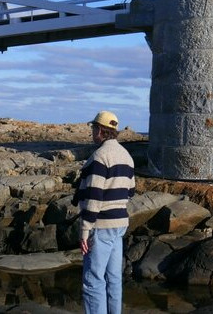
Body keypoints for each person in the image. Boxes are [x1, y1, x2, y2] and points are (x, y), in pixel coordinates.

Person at [74, 110, 135, 314]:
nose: (92, 132)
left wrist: (84, 230)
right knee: (114, 278)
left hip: (101, 226)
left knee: (93, 281)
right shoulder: (127, 156)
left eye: (93, 128)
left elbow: (93, 198)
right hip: (119, 225)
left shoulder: (100, 157)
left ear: (100, 130)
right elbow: (131, 190)